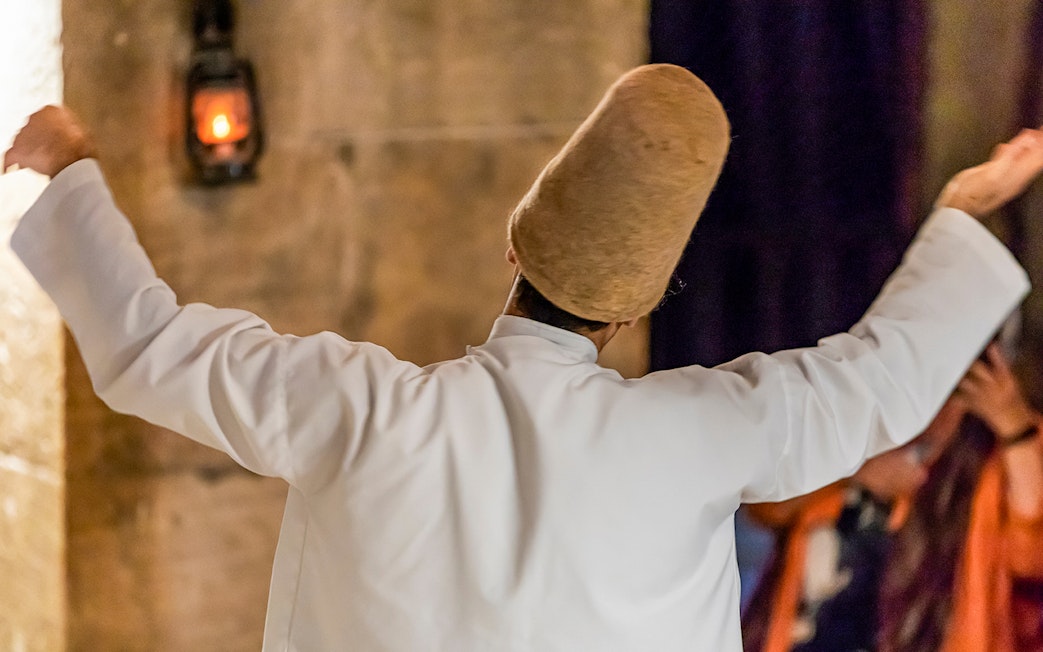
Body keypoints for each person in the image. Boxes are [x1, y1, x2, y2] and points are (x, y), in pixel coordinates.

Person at [3, 63, 1042, 651]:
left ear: (512, 245)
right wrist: (955, 215)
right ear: (635, 311)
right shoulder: (700, 433)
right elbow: (875, 384)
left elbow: (147, 345)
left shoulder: (362, 412)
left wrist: (68, 167)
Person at [740, 339, 1043, 652]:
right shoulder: (850, 433)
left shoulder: (988, 463)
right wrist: (857, 475)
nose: (931, 407)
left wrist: (1014, 426)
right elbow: (766, 506)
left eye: (950, 391)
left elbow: (1030, 555)